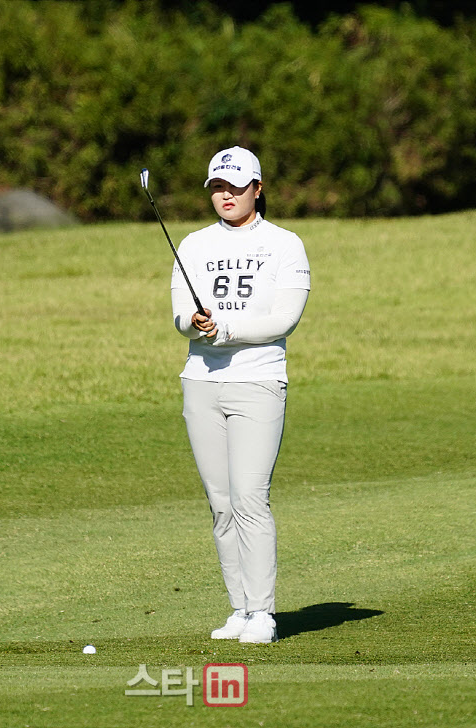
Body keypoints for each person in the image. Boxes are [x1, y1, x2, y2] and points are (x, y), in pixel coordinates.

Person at [171, 146, 311, 644]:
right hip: (201, 383)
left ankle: (263, 613)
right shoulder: (193, 244)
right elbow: (180, 316)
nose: (225, 195)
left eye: (235, 186)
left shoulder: (285, 244)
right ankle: (240, 608)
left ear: (257, 187)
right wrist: (195, 322)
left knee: (250, 497)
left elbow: (284, 319)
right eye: (217, 187)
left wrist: (226, 328)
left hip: (258, 382)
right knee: (222, 502)